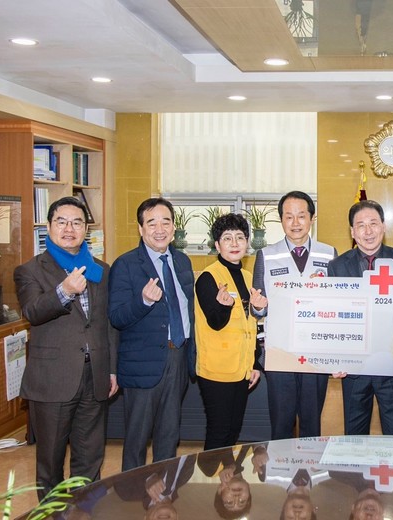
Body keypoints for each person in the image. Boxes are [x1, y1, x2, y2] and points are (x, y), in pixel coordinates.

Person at [14, 196, 118, 500]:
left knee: (90, 456)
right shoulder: (30, 270)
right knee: (50, 460)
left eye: (76, 222)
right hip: (53, 379)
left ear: (86, 229)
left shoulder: (100, 270)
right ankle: (52, 514)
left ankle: (85, 511)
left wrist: (111, 370)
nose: (69, 229)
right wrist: (64, 291)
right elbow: (32, 311)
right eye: (61, 222)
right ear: (49, 227)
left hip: (94, 375)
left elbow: (107, 324)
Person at [109, 197, 195, 471]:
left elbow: (187, 309)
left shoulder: (182, 261)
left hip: (178, 357)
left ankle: (166, 489)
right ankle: (133, 493)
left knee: (169, 435)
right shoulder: (126, 264)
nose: (160, 229)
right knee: (137, 439)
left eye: (165, 222)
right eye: (152, 223)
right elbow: (116, 317)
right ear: (140, 228)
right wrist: (144, 301)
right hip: (142, 364)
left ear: (174, 227)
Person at [328, 200, 393, 435]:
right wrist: (334, 358)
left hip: (392, 361)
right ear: (352, 231)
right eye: (361, 225)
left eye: (373, 223)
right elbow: (333, 317)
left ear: (384, 226)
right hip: (354, 364)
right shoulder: (337, 266)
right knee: (354, 435)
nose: (368, 231)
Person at [251, 191, 337, 440]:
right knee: (281, 424)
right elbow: (258, 308)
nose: (295, 222)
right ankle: (280, 466)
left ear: (312, 218)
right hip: (280, 353)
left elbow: (337, 303)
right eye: (289, 217)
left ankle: (312, 466)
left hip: (316, 353)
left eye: (301, 216)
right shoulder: (266, 255)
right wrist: (258, 307)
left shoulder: (328, 253)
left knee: (312, 423)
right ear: (281, 220)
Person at [195, 213, 262, 450]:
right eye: (227, 238)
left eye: (240, 237)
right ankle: (211, 473)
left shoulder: (248, 277)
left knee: (233, 430)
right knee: (219, 432)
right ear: (217, 245)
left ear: (247, 243)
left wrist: (255, 363)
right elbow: (215, 322)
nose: (234, 243)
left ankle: (228, 473)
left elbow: (250, 323)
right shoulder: (208, 278)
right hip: (217, 370)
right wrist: (223, 306)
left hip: (242, 368)